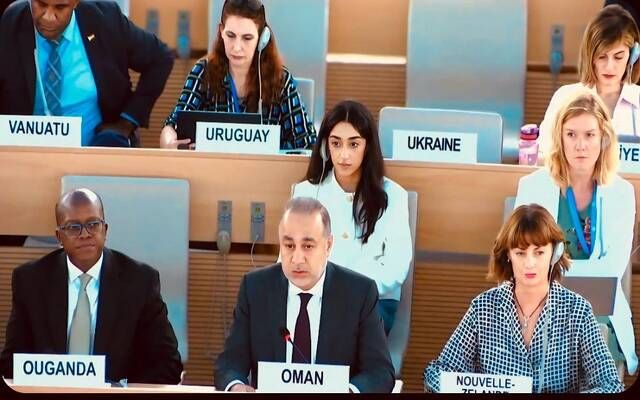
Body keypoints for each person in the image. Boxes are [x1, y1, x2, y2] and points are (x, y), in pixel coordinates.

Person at [424, 204, 624, 393]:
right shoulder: (483, 308)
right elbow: (437, 373)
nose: (530, 263)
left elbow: (611, 385)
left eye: (539, 252)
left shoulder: (577, 311)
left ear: (554, 254)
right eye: (520, 253)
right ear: (508, 255)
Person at [0, 188, 183, 384]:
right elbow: (12, 364)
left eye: (93, 224)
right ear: (59, 237)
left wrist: (116, 389)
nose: (85, 234)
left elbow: (168, 365)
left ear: (105, 230)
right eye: (73, 227)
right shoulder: (30, 281)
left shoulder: (140, 282)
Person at [214, 197, 395, 393]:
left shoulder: (359, 293)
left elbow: (380, 371)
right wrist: (236, 386)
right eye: (289, 246)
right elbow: (230, 363)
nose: (297, 259)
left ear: (328, 245)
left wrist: (349, 391)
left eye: (308, 246)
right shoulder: (255, 289)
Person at [516, 91, 637, 375]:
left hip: (598, 314)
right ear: (559, 138)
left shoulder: (622, 193)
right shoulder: (532, 186)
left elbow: (612, 269)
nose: (580, 145)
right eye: (571, 135)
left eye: (589, 135)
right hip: (538, 308)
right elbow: (521, 259)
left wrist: (549, 274)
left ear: (603, 138)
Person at [291, 100, 412, 335]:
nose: (344, 154)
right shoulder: (305, 192)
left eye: (354, 144)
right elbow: (287, 260)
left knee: (336, 328)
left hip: (373, 302)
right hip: (313, 298)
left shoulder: (394, 195)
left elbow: (396, 266)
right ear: (325, 146)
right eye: (336, 143)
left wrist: (346, 290)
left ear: (368, 147)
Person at [0, 0, 174, 147]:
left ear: (76, 2)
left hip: (97, 156)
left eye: (60, 7)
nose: (48, 17)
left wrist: (128, 121)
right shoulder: (12, 21)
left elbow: (160, 57)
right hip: (27, 155)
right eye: (41, 4)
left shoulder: (105, 18)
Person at [160, 0, 316, 150]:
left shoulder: (280, 79)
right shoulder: (203, 72)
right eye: (230, 35)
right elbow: (172, 125)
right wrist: (169, 144)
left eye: (247, 38)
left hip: (267, 169)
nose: (236, 47)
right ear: (221, 31)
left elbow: (307, 143)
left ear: (262, 38)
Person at [539, 4, 640, 156]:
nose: (609, 66)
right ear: (590, 56)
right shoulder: (565, 97)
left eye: (618, 57)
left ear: (633, 56)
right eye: (602, 56)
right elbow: (543, 155)